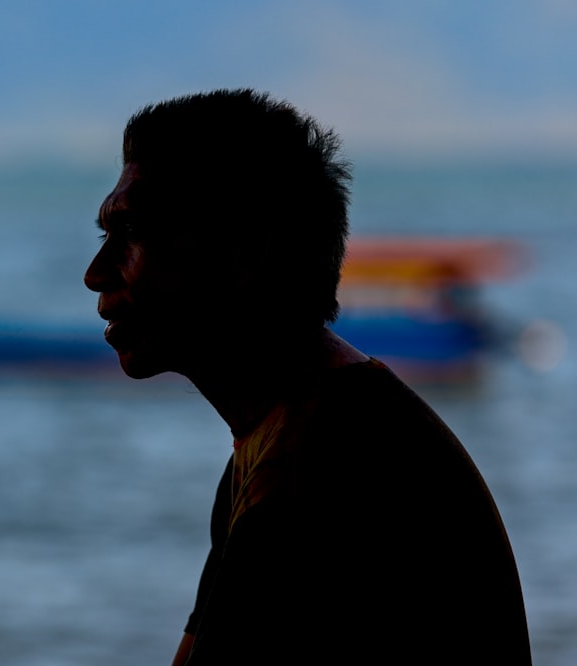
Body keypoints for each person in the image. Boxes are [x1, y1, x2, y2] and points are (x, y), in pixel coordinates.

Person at [83, 89, 531, 665]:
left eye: (132, 234)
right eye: (105, 237)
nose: (97, 274)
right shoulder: (285, 436)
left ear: (246, 250)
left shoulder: (321, 475)